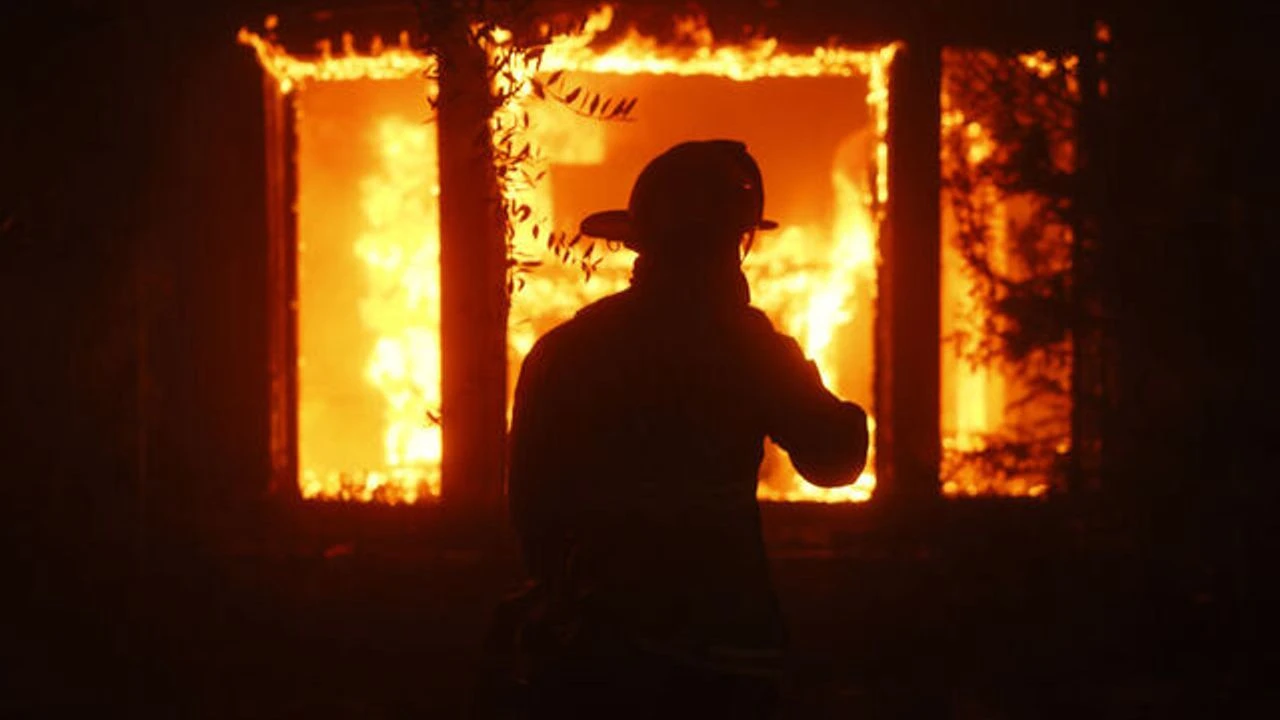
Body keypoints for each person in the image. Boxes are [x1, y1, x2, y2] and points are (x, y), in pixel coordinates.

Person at [503, 139, 869, 718]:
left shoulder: (564, 351)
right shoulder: (747, 348)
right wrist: (802, 376)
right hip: (723, 656)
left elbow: (530, 507)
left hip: (592, 653)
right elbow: (836, 459)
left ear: (638, 243)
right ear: (734, 247)